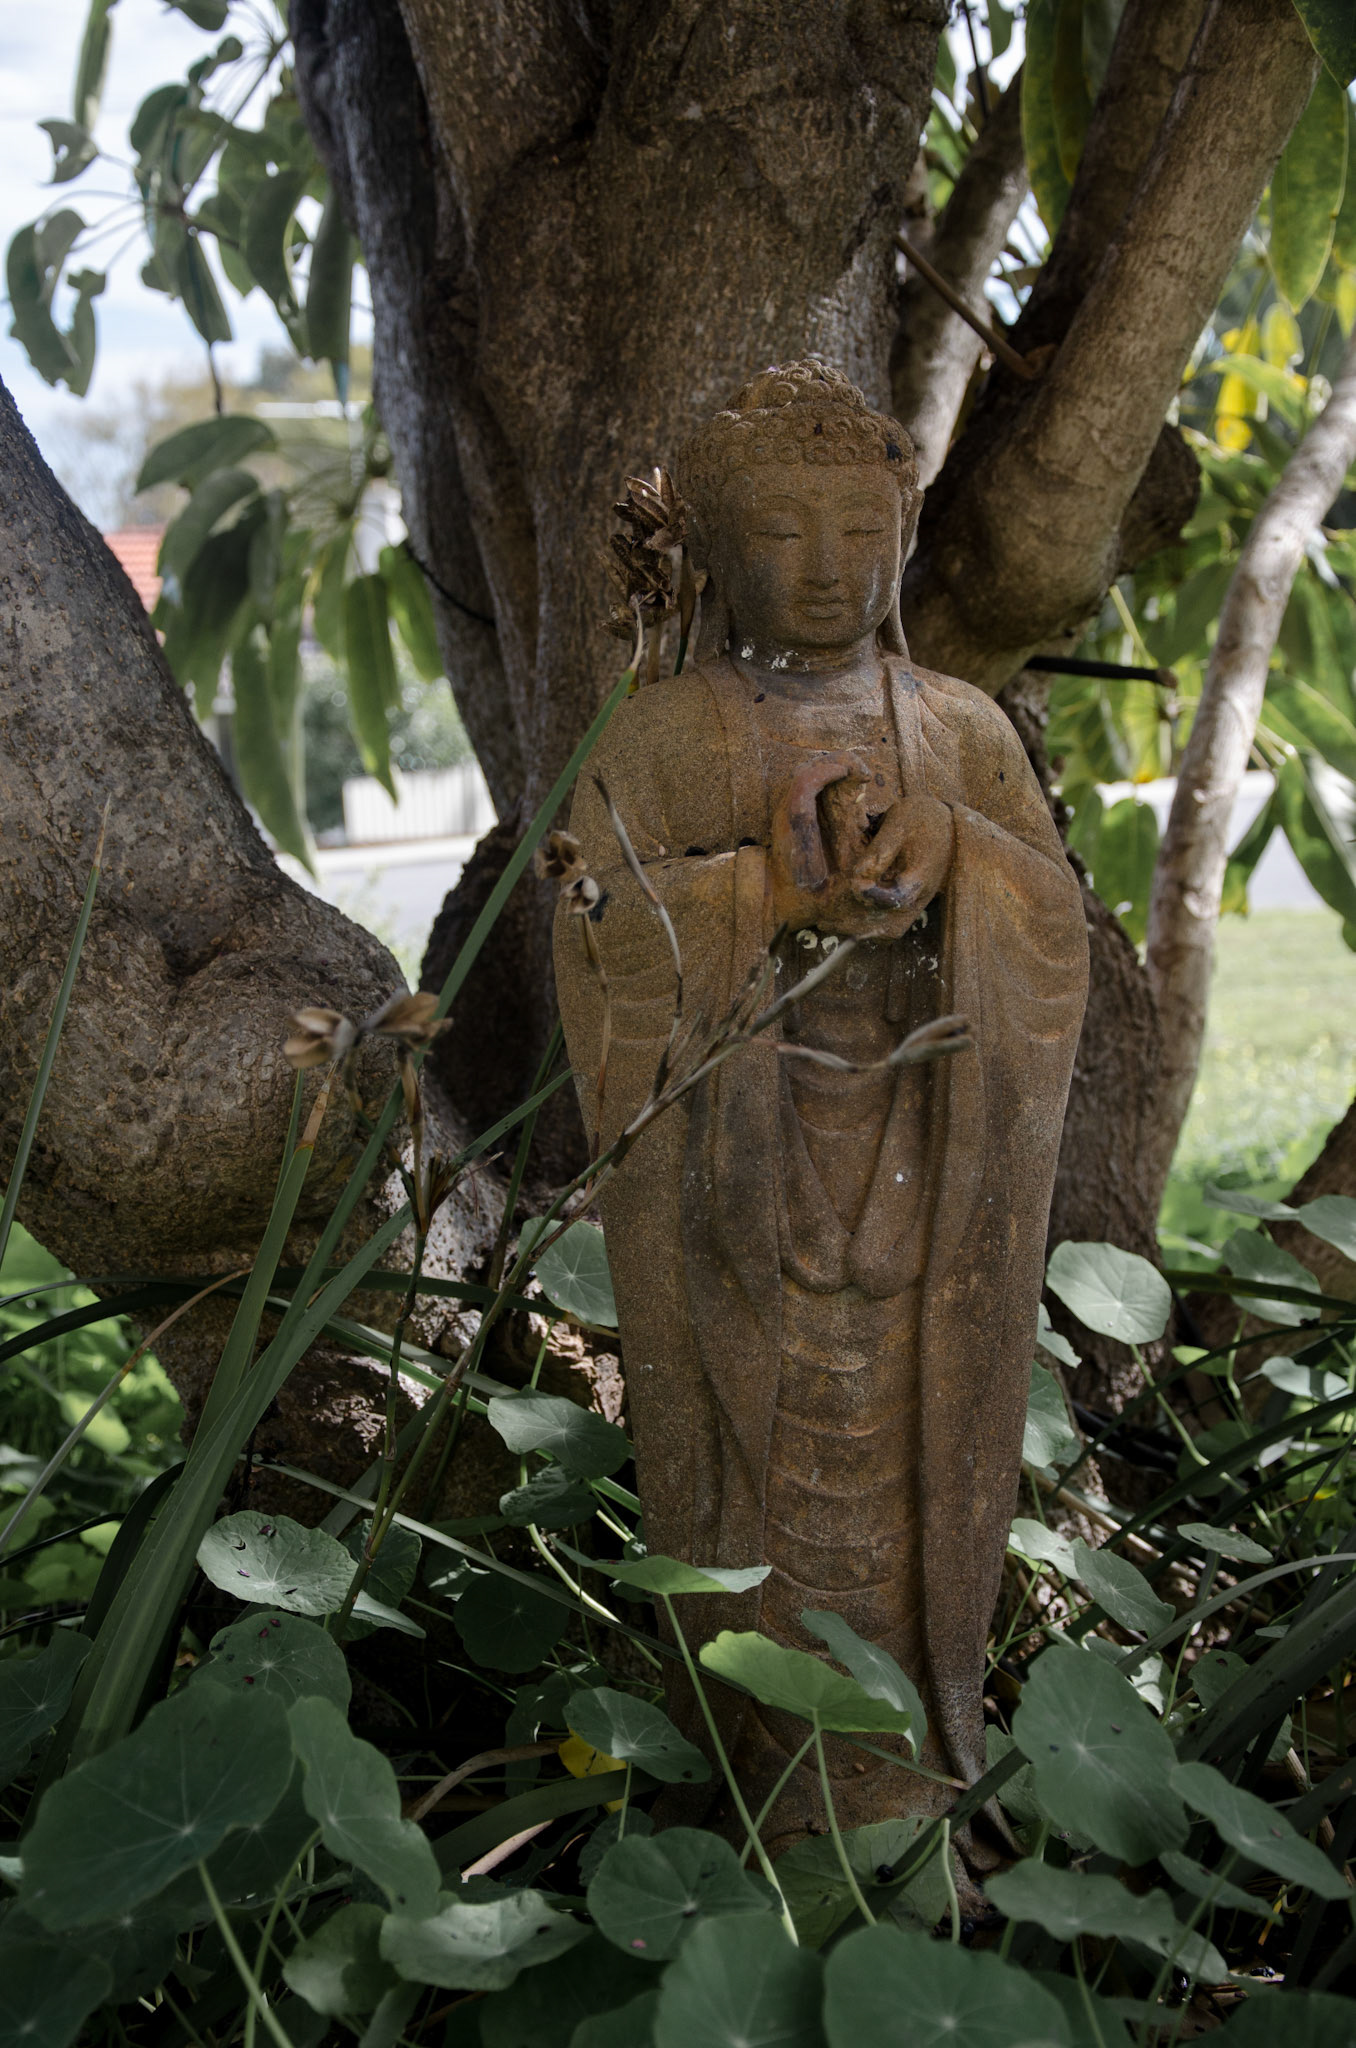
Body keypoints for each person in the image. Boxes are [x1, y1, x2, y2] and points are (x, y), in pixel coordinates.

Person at [555, 361, 1088, 1849]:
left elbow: (1053, 923)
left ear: (901, 542)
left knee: (913, 1472)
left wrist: (964, 859)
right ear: (718, 553)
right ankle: (770, 1797)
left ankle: (915, 1793)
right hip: (747, 1185)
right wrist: (762, 895)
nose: (827, 568)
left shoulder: (963, 730)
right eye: (783, 535)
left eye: (859, 531)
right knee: (763, 1480)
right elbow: (590, 925)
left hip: (925, 1182)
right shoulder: (670, 738)